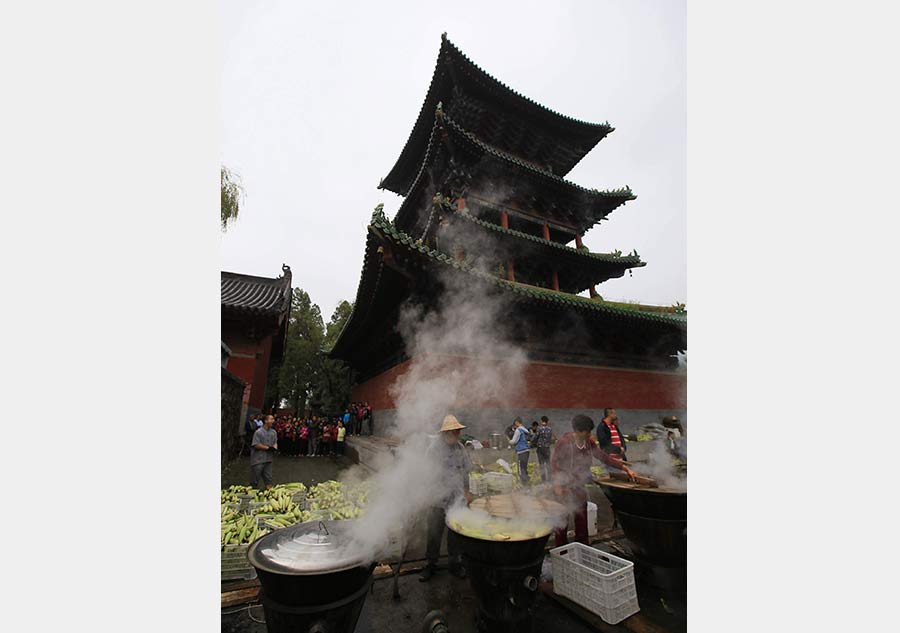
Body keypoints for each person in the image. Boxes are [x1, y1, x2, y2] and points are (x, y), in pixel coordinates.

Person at [551, 414, 636, 547]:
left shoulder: (589, 443)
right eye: (587, 432)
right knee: (562, 522)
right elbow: (555, 464)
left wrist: (623, 467)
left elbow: (603, 456)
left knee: (582, 520)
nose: (590, 434)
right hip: (564, 487)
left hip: (579, 486)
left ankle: (583, 548)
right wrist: (558, 486)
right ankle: (561, 550)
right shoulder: (564, 443)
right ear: (578, 431)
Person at [420, 414, 474, 582]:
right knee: (434, 533)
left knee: (454, 534)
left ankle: (454, 564)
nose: (457, 435)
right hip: (437, 499)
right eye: (453, 432)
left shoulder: (460, 449)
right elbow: (426, 473)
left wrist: (467, 490)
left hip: (456, 499)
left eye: (458, 432)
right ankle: (430, 564)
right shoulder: (433, 449)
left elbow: (466, 472)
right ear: (445, 432)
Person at [250, 414, 278, 491]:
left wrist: (275, 447)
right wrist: (267, 448)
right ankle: (252, 493)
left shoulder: (274, 432)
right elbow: (256, 444)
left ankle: (270, 493)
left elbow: (275, 442)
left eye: (273, 419)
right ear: (265, 421)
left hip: (268, 459)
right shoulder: (258, 432)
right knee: (255, 479)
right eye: (271, 419)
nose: (273, 421)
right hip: (258, 459)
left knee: (269, 478)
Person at [508, 417, 532, 486]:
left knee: (521, 470)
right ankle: (528, 484)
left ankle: (525, 486)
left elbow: (514, 441)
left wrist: (510, 441)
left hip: (521, 451)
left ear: (516, 422)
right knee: (524, 468)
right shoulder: (525, 430)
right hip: (527, 450)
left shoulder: (518, 430)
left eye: (515, 423)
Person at [534, 416, 555, 483]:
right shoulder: (550, 429)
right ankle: (549, 479)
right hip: (547, 448)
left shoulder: (539, 428)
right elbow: (551, 438)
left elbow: (535, 437)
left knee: (542, 464)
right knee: (548, 464)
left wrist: (531, 442)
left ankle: (544, 480)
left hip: (540, 448)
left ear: (541, 420)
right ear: (547, 421)